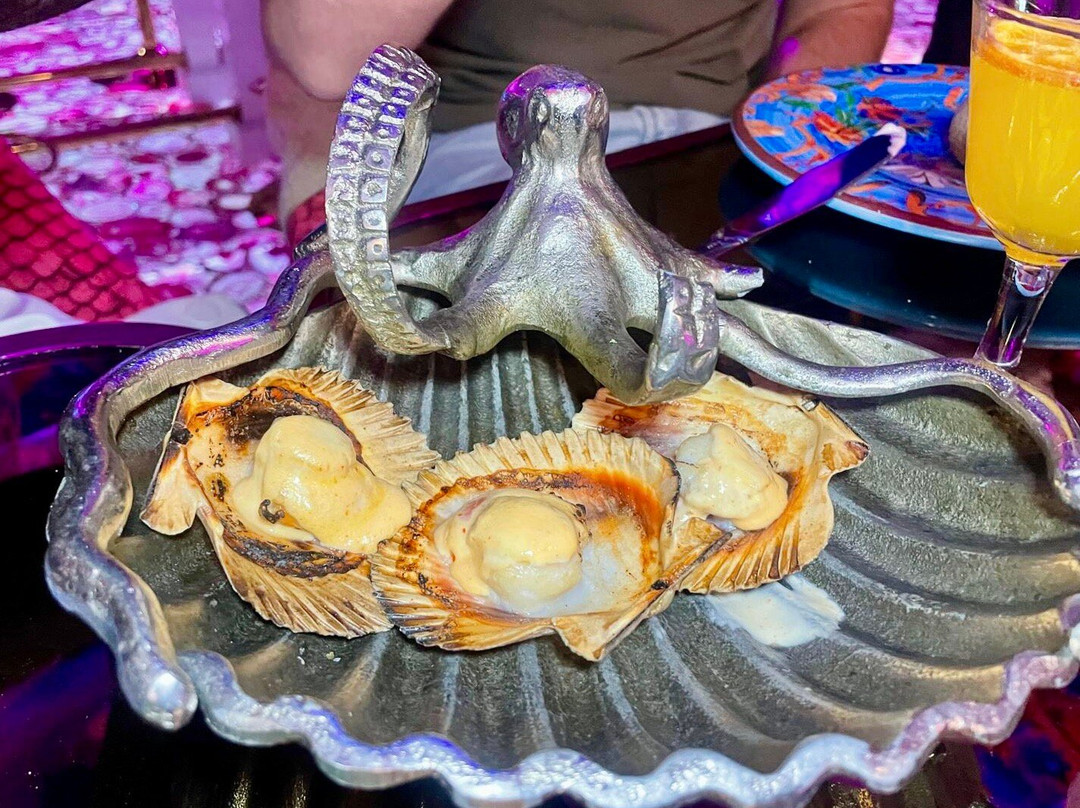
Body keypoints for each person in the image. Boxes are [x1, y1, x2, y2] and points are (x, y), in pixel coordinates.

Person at [263, 0, 894, 243]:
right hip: (479, 146)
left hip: (714, 141)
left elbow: (842, 10)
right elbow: (324, 51)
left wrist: (783, 144)